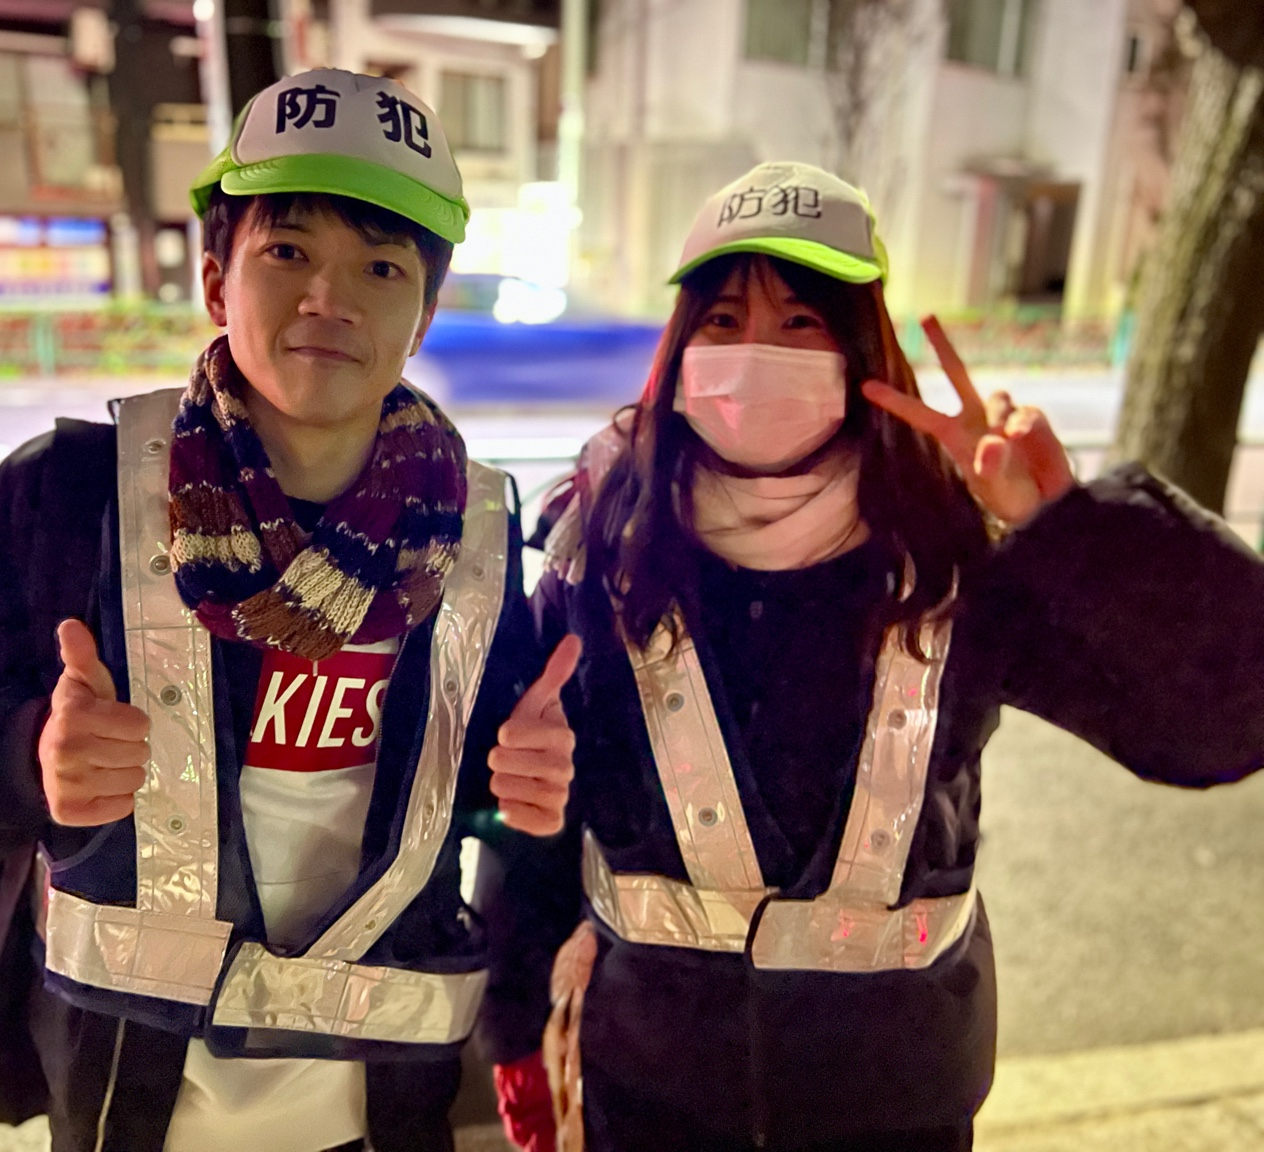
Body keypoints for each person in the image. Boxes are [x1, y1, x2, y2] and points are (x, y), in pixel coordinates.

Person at [479, 160, 1264, 1152]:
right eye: (723, 319)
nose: (756, 350)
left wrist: (1069, 526)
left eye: (800, 321)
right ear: (681, 348)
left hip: (899, 1104)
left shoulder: (953, 552)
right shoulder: (604, 545)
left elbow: (1226, 718)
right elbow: (531, 815)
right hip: (652, 1094)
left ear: (859, 350)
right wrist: (514, 1027)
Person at [0, 69, 580, 1152]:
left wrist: (516, 781)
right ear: (215, 280)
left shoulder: (471, 529)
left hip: (383, 1093)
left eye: (382, 267)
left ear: (424, 315)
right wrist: (27, 758)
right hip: (133, 1089)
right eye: (287, 252)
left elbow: (461, 780)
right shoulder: (73, 493)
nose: (329, 298)